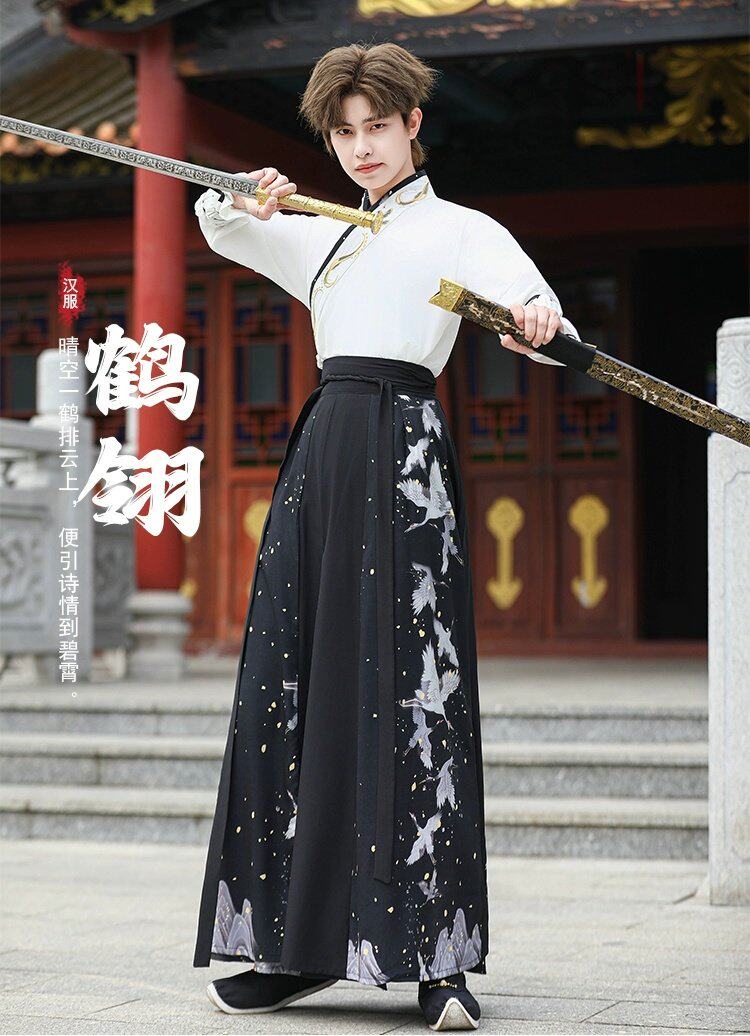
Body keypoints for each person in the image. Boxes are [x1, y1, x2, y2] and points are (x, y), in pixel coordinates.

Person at [192, 41, 580, 1033]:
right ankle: (293, 948)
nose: (362, 147)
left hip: (405, 457)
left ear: (413, 124)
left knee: (417, 695)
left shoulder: (462, 230)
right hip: (323, 455)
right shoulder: (325, 233)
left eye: (378, 126)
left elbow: (538, 312)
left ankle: (439, 963)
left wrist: (537, 319)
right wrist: (250, 196)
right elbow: (220, 225)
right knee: (294, 685)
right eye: (344, 132)